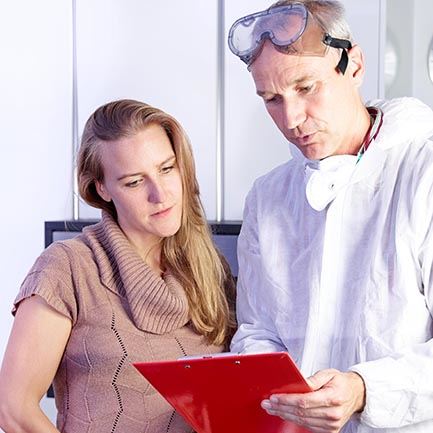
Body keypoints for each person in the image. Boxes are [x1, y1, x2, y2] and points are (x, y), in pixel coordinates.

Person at [228, 1, 433, 432]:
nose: (291, 119)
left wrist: (363, 389)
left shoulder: (423, 171)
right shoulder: (268, 198)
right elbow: (257, 330)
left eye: (306, 87)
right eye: (271, 99)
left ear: (353, 65)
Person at [0, 99, 236, 433]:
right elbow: (14, 410)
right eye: (134, 182)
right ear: (102, 188)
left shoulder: (213, 271)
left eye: (167, 169)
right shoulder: (67, 268)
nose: (160, 194)